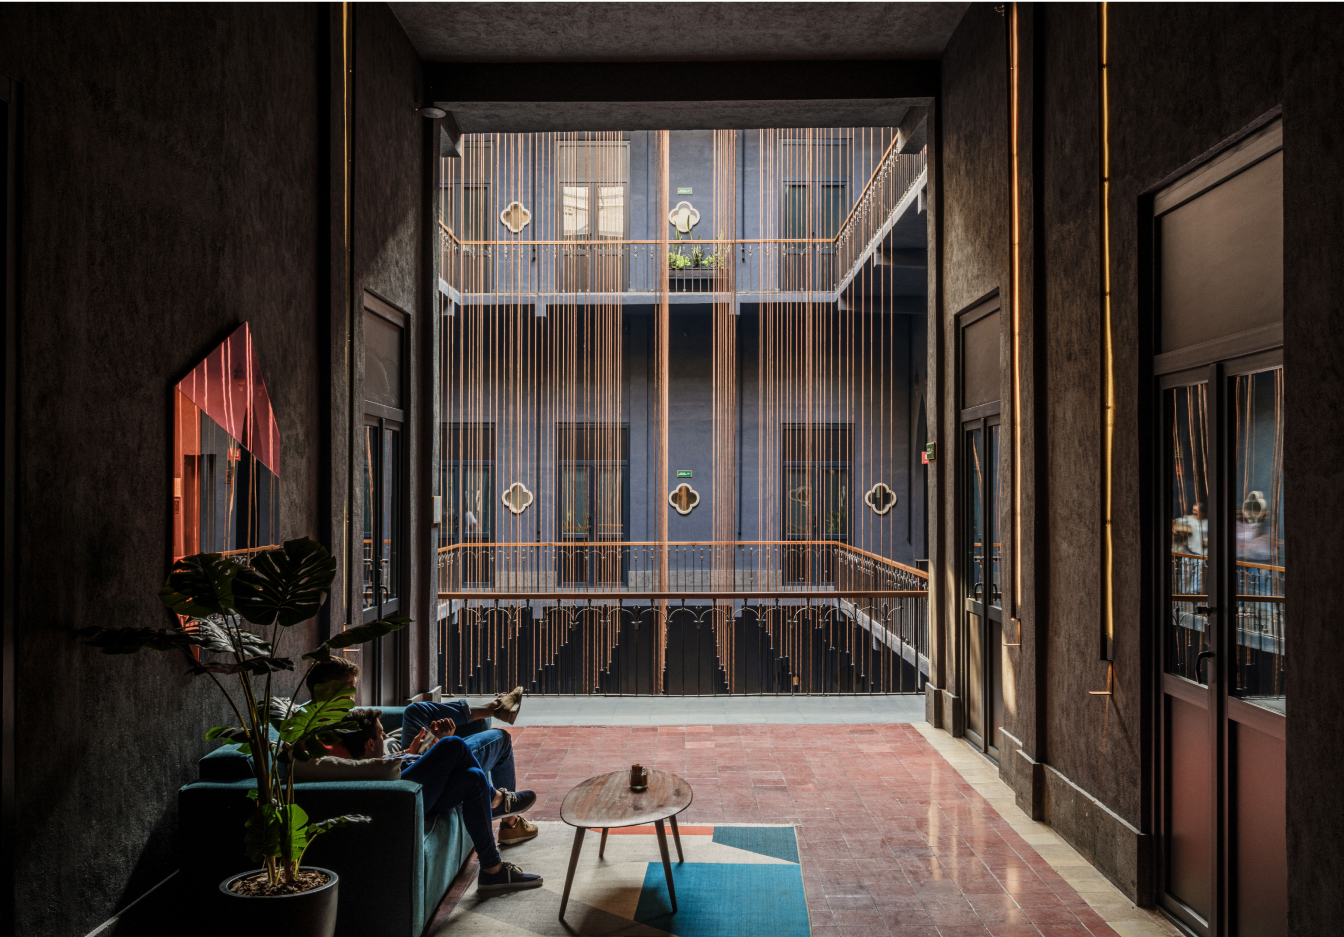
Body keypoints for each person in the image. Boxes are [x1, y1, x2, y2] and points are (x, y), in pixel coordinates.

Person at [305, 661, 535, 846]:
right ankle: (509, 820)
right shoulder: (317, 737)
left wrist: (408, 751)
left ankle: (491, 709)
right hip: (405, 778)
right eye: (348, 689)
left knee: (417, 710)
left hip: (403, 760)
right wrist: (433, 751)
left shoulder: (340, 718)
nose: (354, 696)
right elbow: (363, 773)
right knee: (499, 739)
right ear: (328, 691)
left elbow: (369, 762)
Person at [332, 708, 542, 894]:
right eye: (381, 734)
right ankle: (497, 799)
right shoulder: (370, 769)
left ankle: (492, 870)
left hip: (417, 786)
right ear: (369, 744)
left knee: (473, 778)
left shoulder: (377, 761)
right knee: (453, 744)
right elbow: (393, 774)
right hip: (404, 794)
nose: (385, 736)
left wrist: (411, 752)